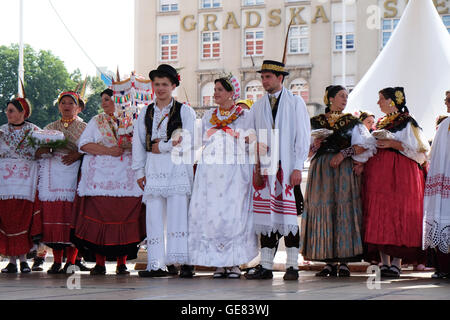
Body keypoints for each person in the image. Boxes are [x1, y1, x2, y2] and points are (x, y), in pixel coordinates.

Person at [244, 60, 310, 281]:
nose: (264, 81)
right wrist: (254, 144)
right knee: (266, 216)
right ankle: (265, 266)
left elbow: (302, 135)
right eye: (262, 77)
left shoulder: (295, 103)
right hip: (266, 168)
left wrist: (298, 166)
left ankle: (292, 266)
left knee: (289, 216)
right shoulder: (257, 106)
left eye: (268, 77)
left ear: (280, 78)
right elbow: (249, 132)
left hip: (287, 166)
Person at [300, 86, 376, 277]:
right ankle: (327, 260)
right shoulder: (316, 122)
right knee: (322, 209)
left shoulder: (352, 122)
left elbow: (366, 145)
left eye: (346, 97)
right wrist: (314, 146)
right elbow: (303, 151)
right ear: (330, 98)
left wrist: (344, 153)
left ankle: (344, 261)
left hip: (342, 169)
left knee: (344, 210)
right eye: (341, 96)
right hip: (321, 170)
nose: (345, 99)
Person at [188, 75, 258, 279]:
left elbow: (252, 140)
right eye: (215, 89)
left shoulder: (245, 115)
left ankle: (234, 262)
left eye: (219, 89)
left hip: (235, 170)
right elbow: (197, 139)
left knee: (234, 214)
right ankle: (217, 263)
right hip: (210, 170)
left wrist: (243, 139)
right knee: (212, 215)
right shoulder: (209, 115)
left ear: (231, 93)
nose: (215, 93)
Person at [71, 88, 146, 275]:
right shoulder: (97, 121)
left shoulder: (133, 118)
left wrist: (131, 145)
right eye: (103, 100)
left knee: (125, 217)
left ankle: (122, 263)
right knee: (99, 220)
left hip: (126, 179)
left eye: (108, 99)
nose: (104, 103)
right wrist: (109, 151)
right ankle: (100, 263)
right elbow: (83, 145)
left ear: (121, 100)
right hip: (100, 179)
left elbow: (144, 143)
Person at [132, 64, 196, 278]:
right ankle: (156, 264)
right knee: (154, 217)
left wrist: (163, 146)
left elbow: (188, 141)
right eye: (157, 84)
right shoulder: (146, 112)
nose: (160, 88)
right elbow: (139, 143)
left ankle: (183, 262)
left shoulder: (185, 111)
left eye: (165, 84)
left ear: (173, 86)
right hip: (154, 170)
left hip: (177, 169)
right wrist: (139, 172)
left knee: (180, 217)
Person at [363, 87, 430, 278]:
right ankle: (384, 263)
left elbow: (420, 153)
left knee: (397, 214)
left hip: (400, 174)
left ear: (392, 101)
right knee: (380, 215)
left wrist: (394, 144)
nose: (378, 103)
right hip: (379, 174)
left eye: (381, 99)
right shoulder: (381, 124)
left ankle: (396, 263)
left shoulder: (407, 122)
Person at [37, 91, 87, 274]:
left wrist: (78, 153)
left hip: (75, 174)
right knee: (54, 216)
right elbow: (41, 147)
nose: (66, 106)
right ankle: (57, 261)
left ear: (77, 107)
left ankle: (71, 262)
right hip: (54, 173)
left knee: (71, 217)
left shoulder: (85, 128)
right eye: (63, 102)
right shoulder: (50, 126)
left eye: (70, 103)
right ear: (59, 106)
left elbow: (90, 147)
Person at [0, 97, 42, 273]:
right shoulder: (1, 131)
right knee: (8, 218)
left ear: (22, 112)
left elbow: (44, 151)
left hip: (27, 182)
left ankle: (24, 259)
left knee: (25, 218)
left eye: (11, 110)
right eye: (7, 110)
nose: (7, 114)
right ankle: (11, 261)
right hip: (5, 184)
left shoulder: (35, 131)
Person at [423, 90, 450, 279]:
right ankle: (443, 267)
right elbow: (433, 155)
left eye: (449, 100)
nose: (446, 103)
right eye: (446, 100)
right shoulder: (444, 126)